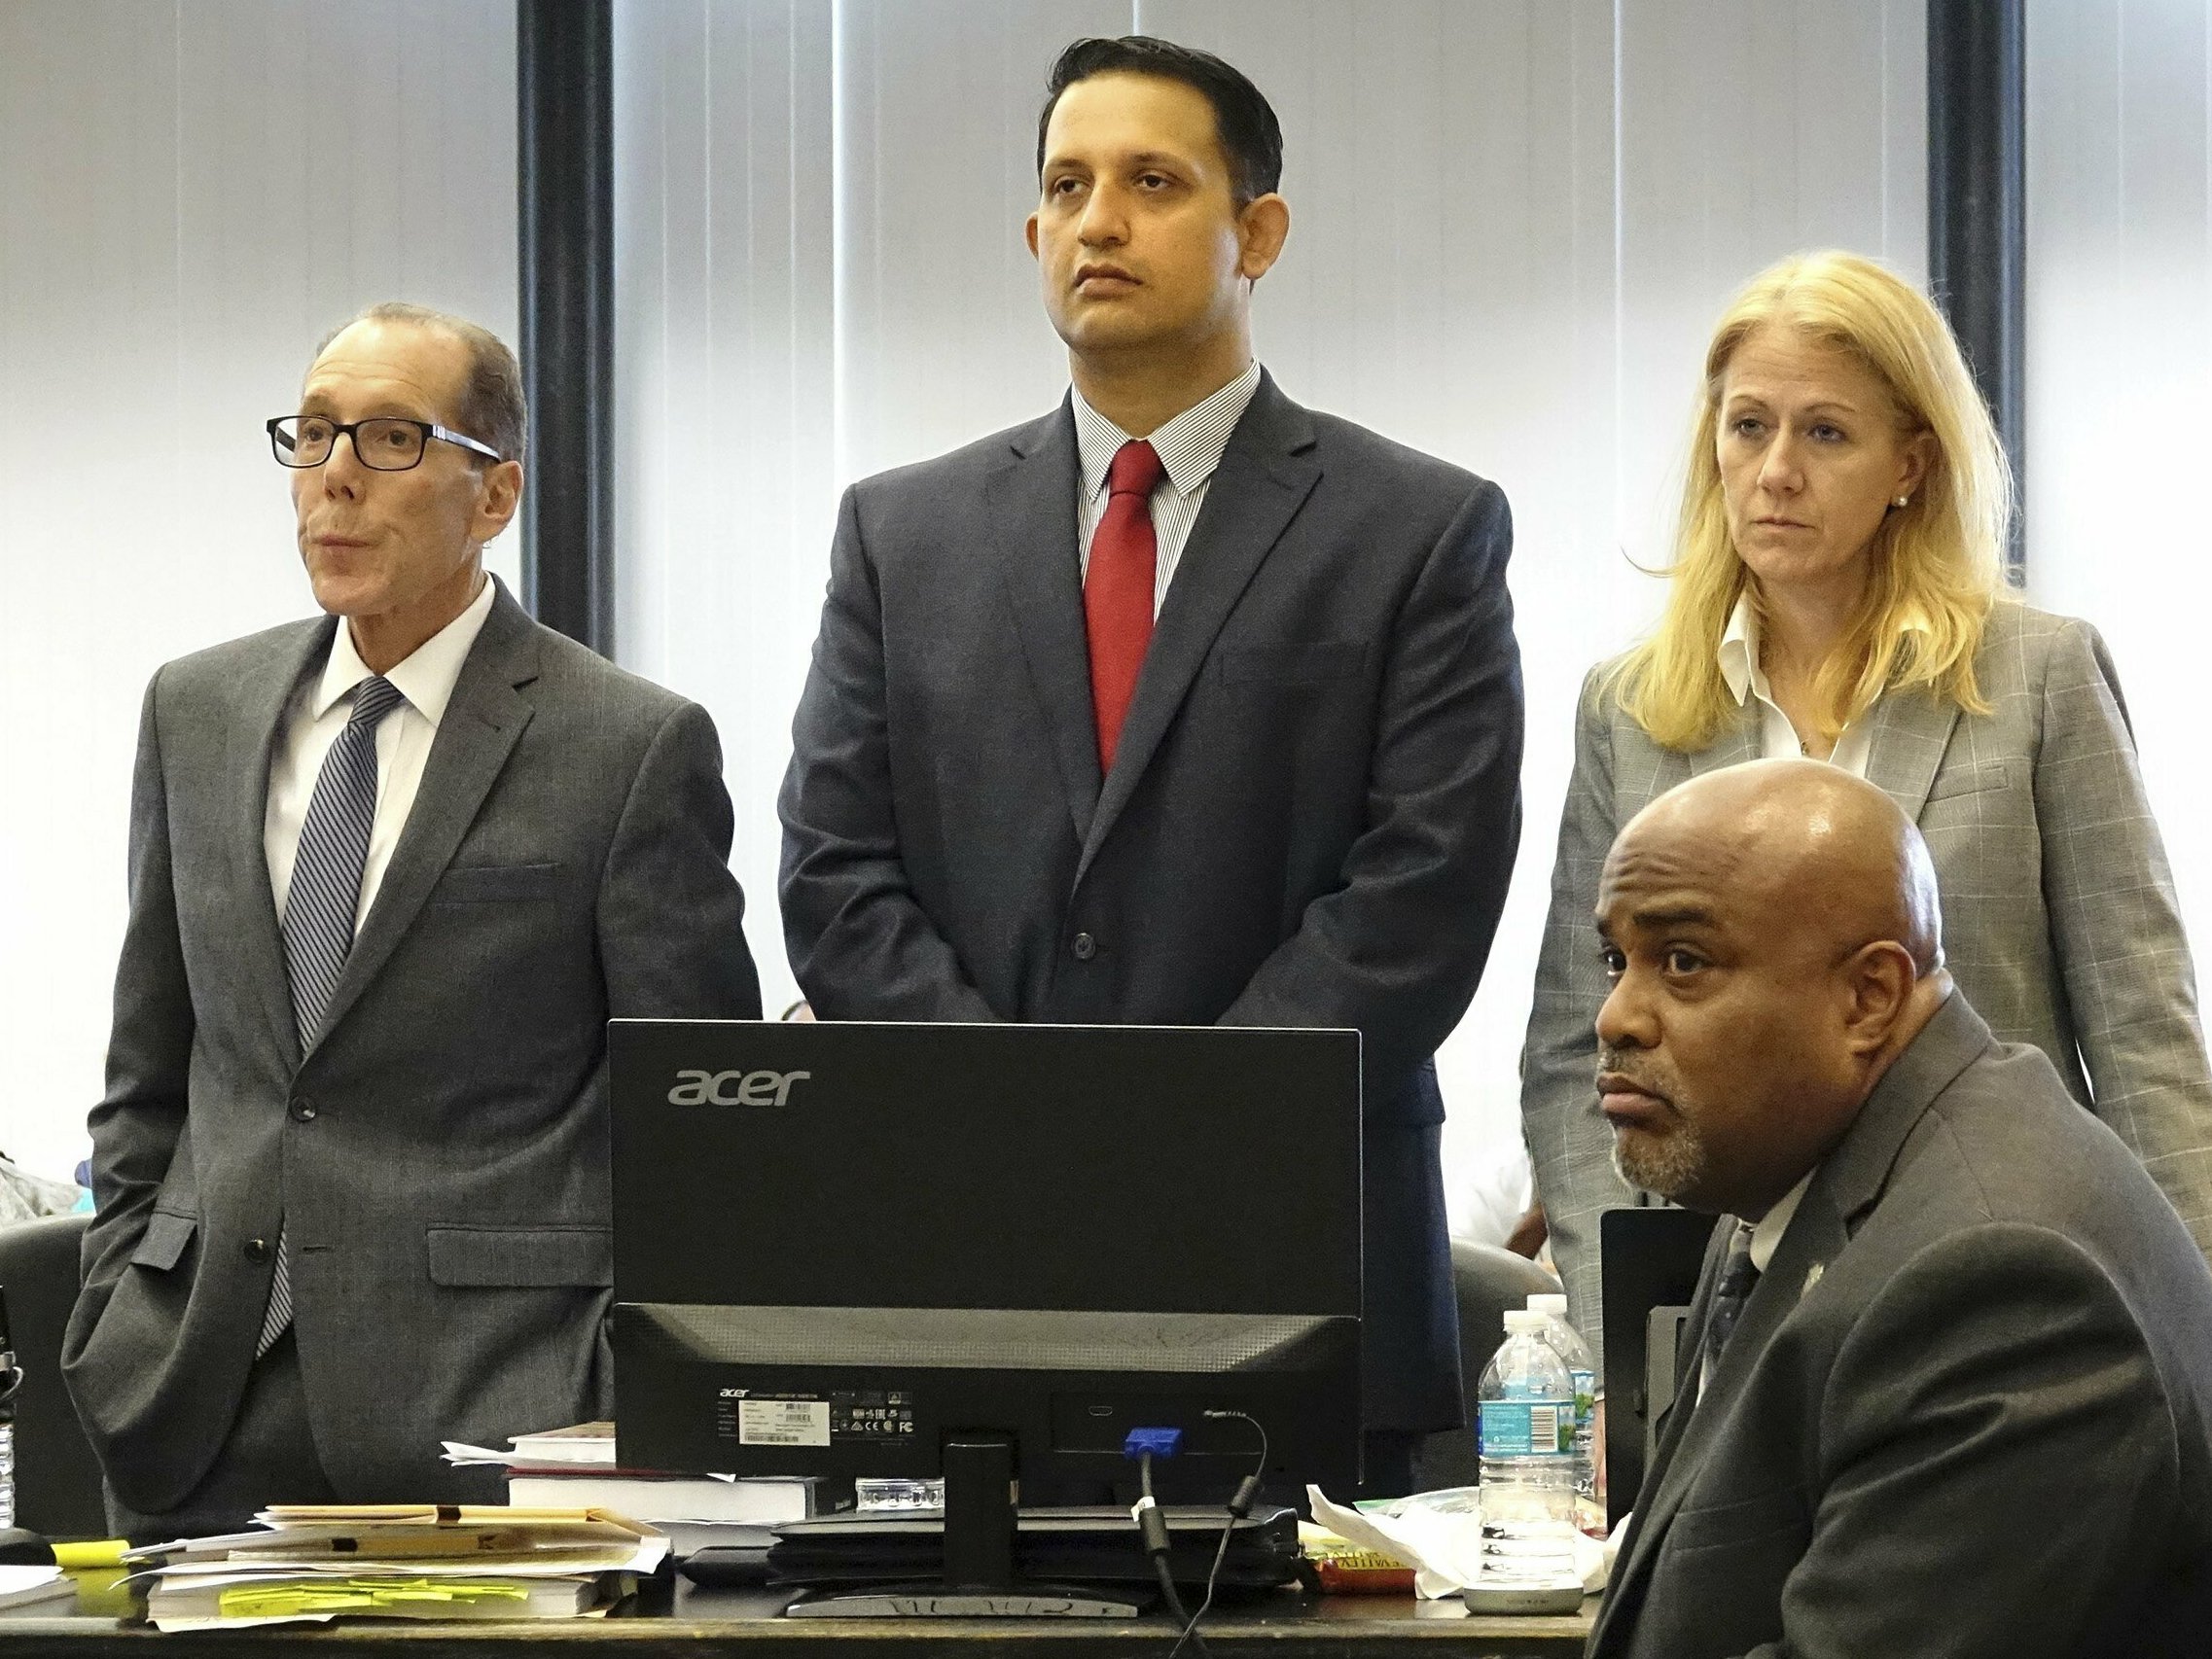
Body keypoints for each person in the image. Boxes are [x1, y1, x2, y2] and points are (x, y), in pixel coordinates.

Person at [778, 36, 1523, 1494]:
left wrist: (1164, 1133)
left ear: (1259, 232)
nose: (1098, 220)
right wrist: (1017, 1116)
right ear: (1033, 234)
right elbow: (834, 872)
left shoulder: (1416, 529)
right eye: (1067, 185)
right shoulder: (901, 532)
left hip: (1301, 1253)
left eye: (1151, 182)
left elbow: (1420, 892)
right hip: (959, 1246)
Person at [64, 302, 763, 1535]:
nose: (335, 475)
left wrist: (617, 1390)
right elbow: (150, 1061)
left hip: (497, 1405)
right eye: (315, 434)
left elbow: (697, 1122)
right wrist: (118, 1299)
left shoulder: (628, 744)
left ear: (493, 498)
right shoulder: (198, 708)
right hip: (193, 1394)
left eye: (390, 438)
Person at [1522, 250, 2212, 1374]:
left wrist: (2189, 1336)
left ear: (1911, 464)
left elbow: (2142, 1033)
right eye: (1748, 428)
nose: (1776, 471)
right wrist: (1638, 1336)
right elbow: (1572, 1047)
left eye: (1825, 434)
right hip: (1722, 1301)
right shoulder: (1633, 706)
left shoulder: (2038, 677)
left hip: (1996, 1273)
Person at [1586, 759, 2212, 1659]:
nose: (1615, 1016)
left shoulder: (2004, 1287)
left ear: (1869, 997)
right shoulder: (1804, 1171)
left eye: (1684, 962)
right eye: (1618, 959)